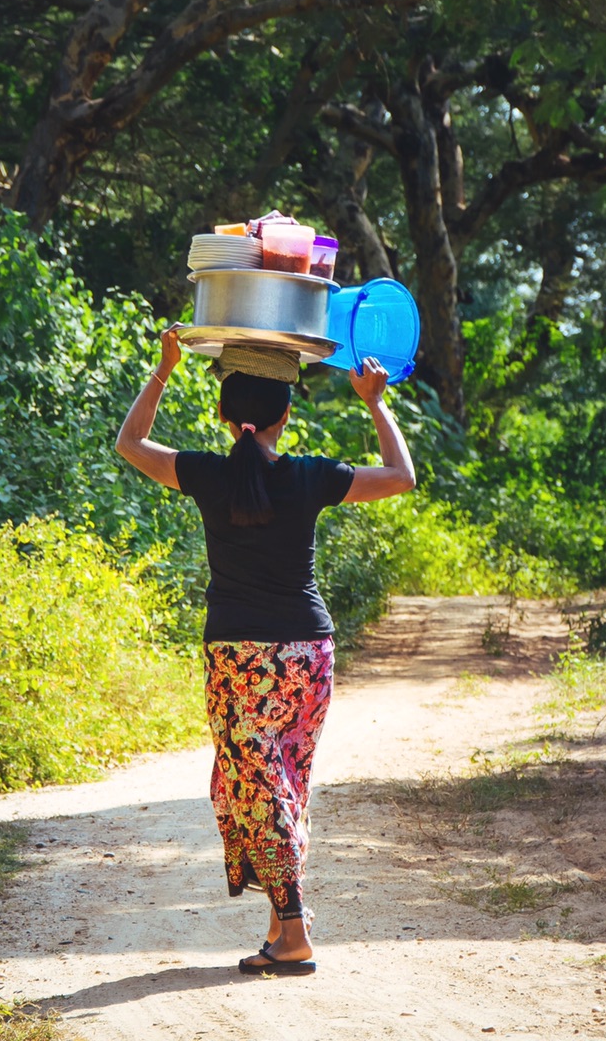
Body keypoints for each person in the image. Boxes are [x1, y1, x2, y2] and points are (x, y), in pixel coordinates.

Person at [114, 328, 416, 976]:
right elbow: (401, 476)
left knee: (257, 786)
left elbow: (129, 444)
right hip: (309, 654)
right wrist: (373, 401)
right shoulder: (310, 478)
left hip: (237, 655)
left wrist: (164, 370)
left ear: (225, 415)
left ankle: (294, 927)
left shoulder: (204, 472)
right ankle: (283, 925)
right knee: (279, 785)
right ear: (286, 414)